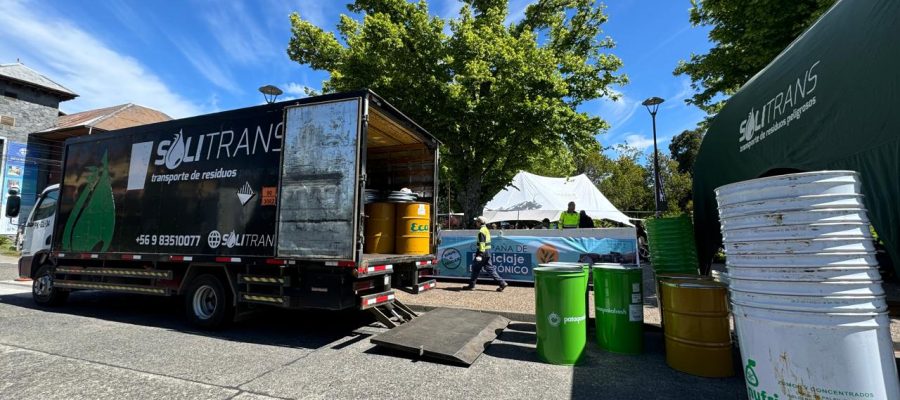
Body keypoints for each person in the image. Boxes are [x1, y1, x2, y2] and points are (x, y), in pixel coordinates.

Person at [463, 216, 507, 292]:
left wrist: (480, 254)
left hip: (482, 252)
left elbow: (482, 244)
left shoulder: (481, 231)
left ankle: (472, 285)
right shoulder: (486, 230)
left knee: (475, 268)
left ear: (480, 222)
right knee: (490, 269)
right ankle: (502, 282)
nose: (476, 223)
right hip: (488, 252)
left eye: (477, 222)